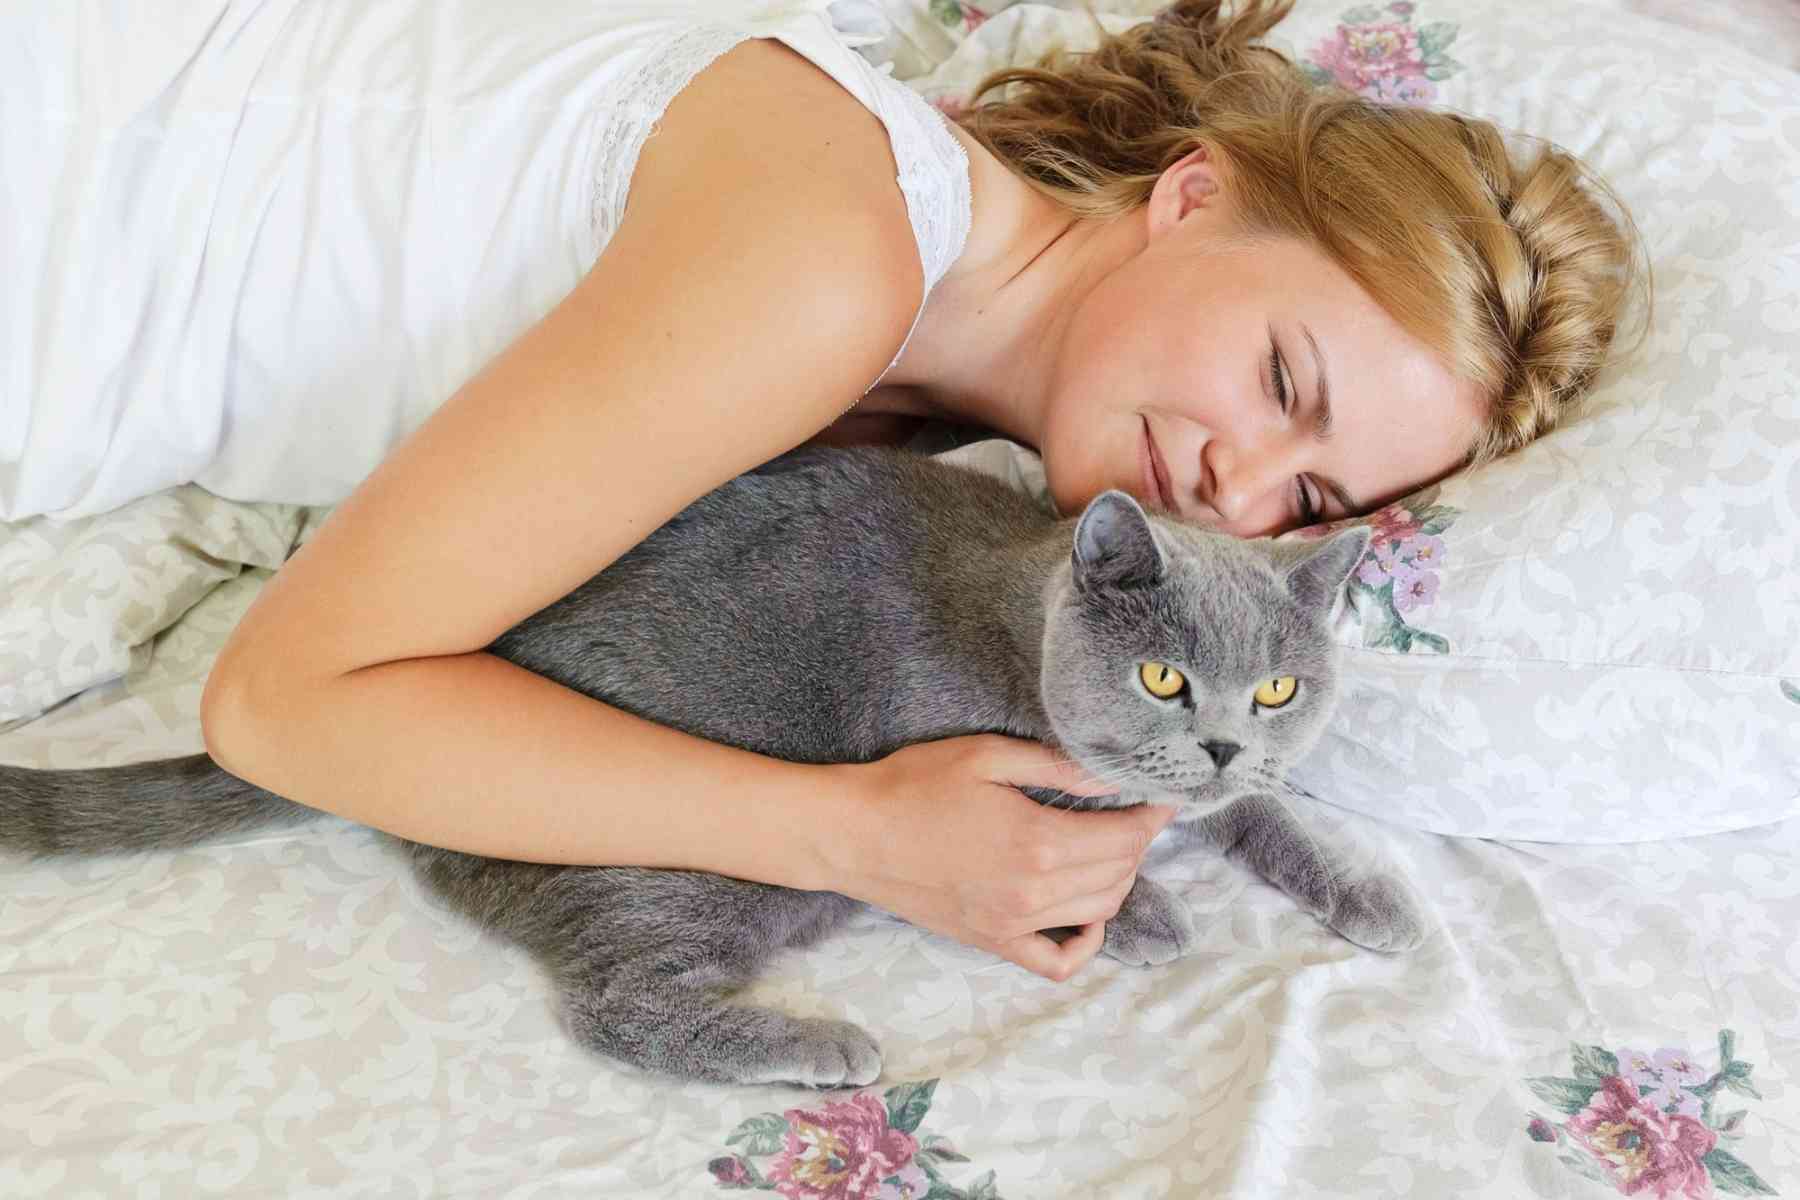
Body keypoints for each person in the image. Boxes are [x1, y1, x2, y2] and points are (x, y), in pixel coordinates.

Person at [36, 0, 1639, 981]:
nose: (1241, 485)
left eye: (1310, 503)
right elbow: (287, 705)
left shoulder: (904, 429)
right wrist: (849, 836)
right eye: (1288, 383)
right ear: (1196, 194)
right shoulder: (829, 257)